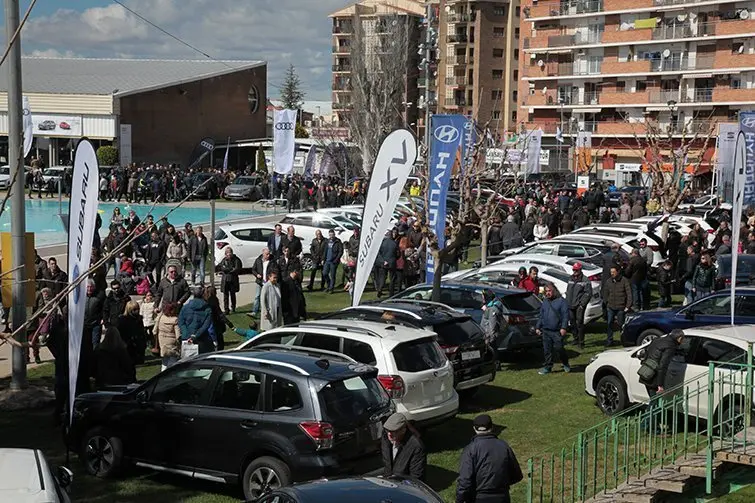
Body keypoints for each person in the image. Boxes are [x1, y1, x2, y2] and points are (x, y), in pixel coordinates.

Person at [456, 414, 523, 503]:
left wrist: (460, 499)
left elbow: (465, 481)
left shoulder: (470, 449)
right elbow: (517, 475)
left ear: (474, 429)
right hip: (502, 497)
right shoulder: (503, 446)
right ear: (491, 427)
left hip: (479, 498)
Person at [639, 329, 685, 433]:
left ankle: (649, 425)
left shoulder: (658, 340)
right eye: (683, 339)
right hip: (654, 376)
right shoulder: (671, 347)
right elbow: (663, 366)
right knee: (654, 403)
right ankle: (647, 426)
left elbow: (647, 353)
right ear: (679, 338)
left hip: (646, 372)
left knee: (653, 401)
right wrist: (660, 385)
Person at [536, 283, 570, 375]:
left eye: (549, 291)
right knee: (547, 350)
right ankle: (548, 366)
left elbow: (565, 316)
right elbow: (541, 315)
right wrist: (538, 327)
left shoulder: (561, 301)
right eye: (546, 291)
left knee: (559, 348)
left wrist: (563, 327)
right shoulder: (545, 302)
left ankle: (565, 363)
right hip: (546, 330)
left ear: (554, 291)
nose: (547, 293)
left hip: (556, 330)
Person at [381, 413, 426, 481]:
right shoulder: (386, 436)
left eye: (394, 431)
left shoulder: (416, 447)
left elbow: (416, 478)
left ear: (403, 430)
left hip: (404, 486)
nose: (389, 434)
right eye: (388, 430)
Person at [178, 286, 215, 354]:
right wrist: (195, 335)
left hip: (187, 340)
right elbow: (206, 325)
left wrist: (186, 334)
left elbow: (181, 322)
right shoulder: (207, 309)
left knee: (188, 362)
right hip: (203, 339)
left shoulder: (185, 308)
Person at [603, 265, 632, 347]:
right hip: (611, 306)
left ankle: (624, 340)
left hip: (621, 307)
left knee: (621, 324)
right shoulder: (609, 281)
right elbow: (605, 293)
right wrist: (606, 303)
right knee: (609, 324)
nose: (612, 274)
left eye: (613, 272)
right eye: (611, 272)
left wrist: (628, 306)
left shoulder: (624, 281)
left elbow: (629, 294)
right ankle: (609, 340)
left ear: (618, 272)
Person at [565, 262, 592, 350]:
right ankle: (575, 338)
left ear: (580, 270)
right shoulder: (570, 278)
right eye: (574, 270)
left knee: (579, 323)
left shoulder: (585, 280)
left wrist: (582, 304)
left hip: (579, 305)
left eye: (576, 270)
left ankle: (581, 342)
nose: (575, 272)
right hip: (570, 305)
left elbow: (588, 293)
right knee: (572, 322)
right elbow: (568, 291)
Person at [117, 300, 147, 366]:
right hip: (128, 346)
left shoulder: (139, 319)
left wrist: (143, 343)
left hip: (138, 345)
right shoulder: (123, 320)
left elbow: (141, 332)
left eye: (138, 309)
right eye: (134, 309)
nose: (137, 311)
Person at [204, 286, 233, 351]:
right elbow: (219, 313)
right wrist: (229, 323)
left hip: (208, 324)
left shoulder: (205, 300)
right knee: (220, 342)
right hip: (215, 323)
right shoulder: (213, 300)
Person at [155, 302, 181, 371]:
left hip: (162, 340)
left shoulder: (160, 317)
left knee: (164, 360)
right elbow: (178, 335)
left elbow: (154, 331)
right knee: (173, 359)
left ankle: (162, 373)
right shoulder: (175, 319)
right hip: (172, 342)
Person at [251, 248, 277, 317]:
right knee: (257, 296)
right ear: (263, 254)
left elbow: (275, 270)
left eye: (269, 254)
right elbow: (253, 269)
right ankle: (254, 311)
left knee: (268, 298)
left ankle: (267, 312)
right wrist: (257, 275)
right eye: (266, 254)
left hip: (268, 283)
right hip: (260, 282)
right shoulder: (258, 260)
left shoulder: (272, 261)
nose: (268, 255)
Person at [218, 247, 243, 314]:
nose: (228, 255)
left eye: (229, 253)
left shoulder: (236, 260)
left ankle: (233, 308)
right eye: (227, 254)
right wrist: (228, 269)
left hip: (233, 279)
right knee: (225, 295)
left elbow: (236, 268)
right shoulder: (224, 260)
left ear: (232, 253)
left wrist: (228, 270)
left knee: (232, 294)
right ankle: (226, 309)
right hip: (225, 280)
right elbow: (221, 267)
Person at [376, 231, 399, 298]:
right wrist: (394, 259)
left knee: (382, 277)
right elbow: (398, 254)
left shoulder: (382, 243)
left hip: (384, 262)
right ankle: (391, 293)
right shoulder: (394, 243)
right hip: (392, 262)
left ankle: (380, 289)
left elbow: (378, 254)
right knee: (392, 279)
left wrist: (383, 261)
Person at [323, 229, 344, 293]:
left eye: (332, 235)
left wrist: (336, 259)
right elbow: (325, 250)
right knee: (324, 273)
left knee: (332, 275)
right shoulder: (327, 241)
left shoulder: (338, 241)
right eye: (330, 235)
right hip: (327, 260)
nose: (331, 236)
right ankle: (329, 285)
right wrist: (323, 259)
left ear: (334, 234)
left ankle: (331, 288)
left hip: (333, 261)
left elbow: (340, 251)